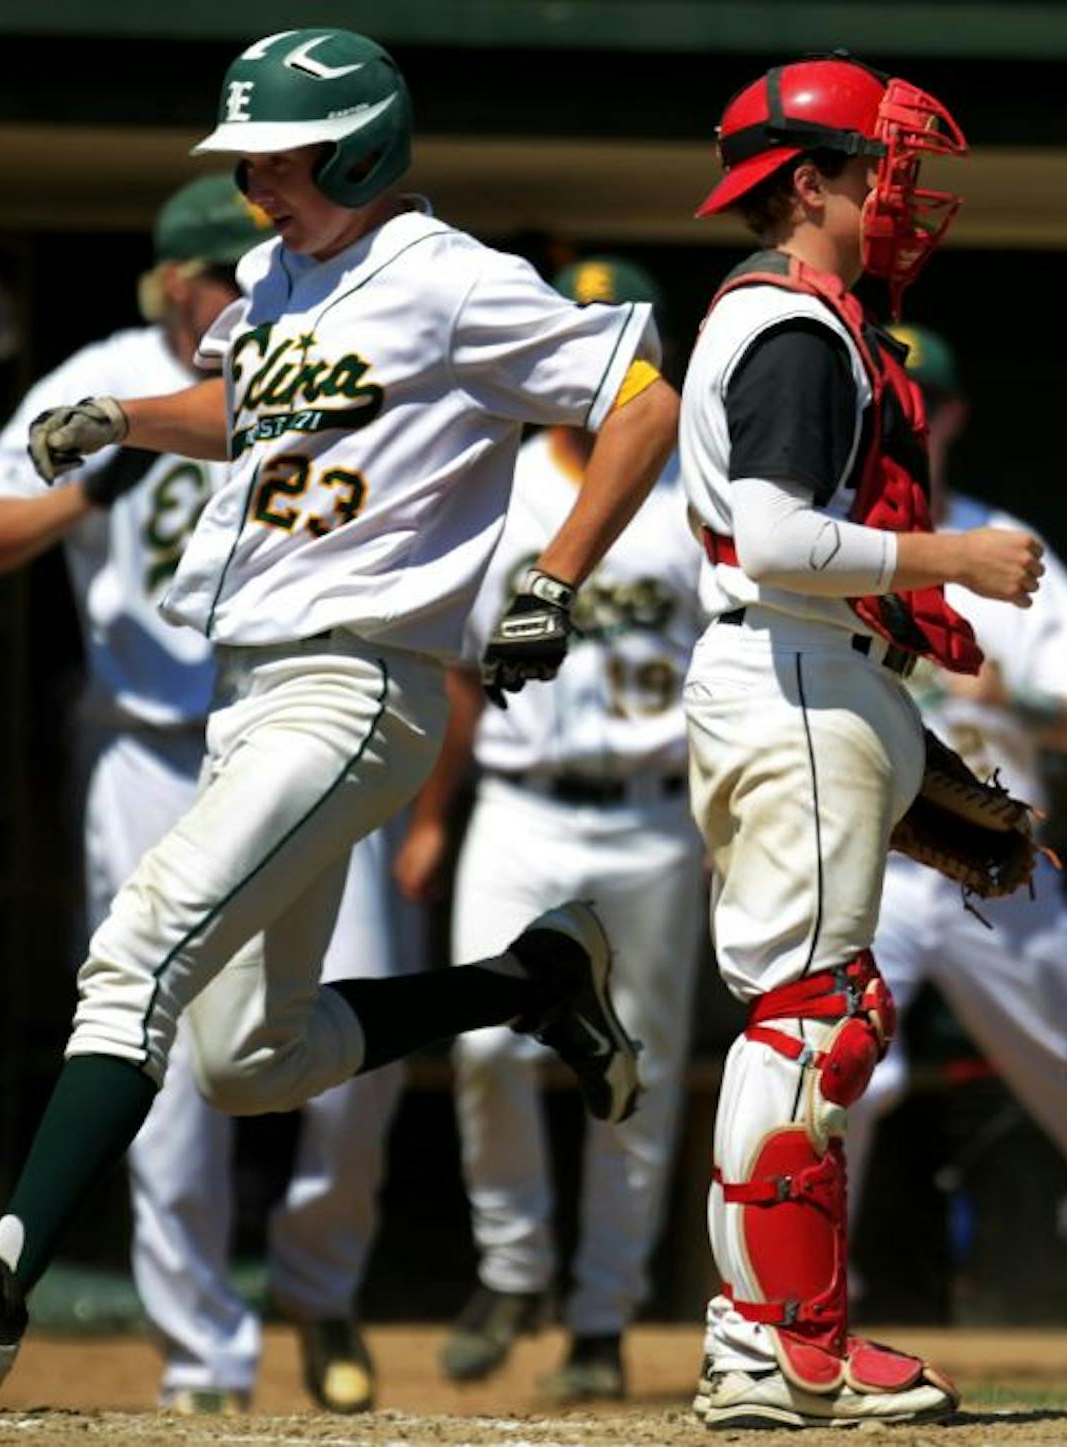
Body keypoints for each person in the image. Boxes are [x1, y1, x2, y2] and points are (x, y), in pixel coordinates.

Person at [0, 26, 679, 1405]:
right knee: (247, 1058)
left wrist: (556, 575)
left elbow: (641, 403)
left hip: (357, 678)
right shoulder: (282, 278)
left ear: (360, 147)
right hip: (253, 687)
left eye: (276, 158)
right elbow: (243, 408)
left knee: (133, 955)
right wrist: (119, 415)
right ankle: (529, 981)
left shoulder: (452, 276)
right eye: (245, 161)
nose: (253, 186)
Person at [0, 174, 410, 1416]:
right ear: (173, 282)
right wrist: (96, 478)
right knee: (151, 1051)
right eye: (226, 272)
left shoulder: (320, 349)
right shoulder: (100, 376)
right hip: (151, 746)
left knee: (356, 1040)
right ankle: (202, 1358)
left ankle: (319, 1286)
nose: (251, 282)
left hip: (305, 719)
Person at [678, 55, 1046, 1429]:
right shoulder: (790, 324)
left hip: (810, 675)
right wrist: (955, 556)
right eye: (879, 168)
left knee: (810, 1008)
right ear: (807, 183)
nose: (900, 195)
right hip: (789, 671)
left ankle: (759, 1338)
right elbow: (775, 540)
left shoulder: (811, 318)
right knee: (814, 1014)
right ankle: (786, 1344)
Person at [396, 256, 708, 1404]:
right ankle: (513, 1268)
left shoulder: (695, 490)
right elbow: (458, 674)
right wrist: (432, 818)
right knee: (485, 1043)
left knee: (638, 1071)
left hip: (652, 815)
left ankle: (601, 1314)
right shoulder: (507, 482)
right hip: (521, 804)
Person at [843, 324, 1067, 1269]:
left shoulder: (1006, 547)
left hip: (991, 856)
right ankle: (803, 1297)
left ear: (955, 418)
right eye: (890, 407)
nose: (909, 426)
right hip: (870, 862)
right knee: (843, 1074)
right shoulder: (824, 546)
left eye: (924, 408)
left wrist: (1009, 697)